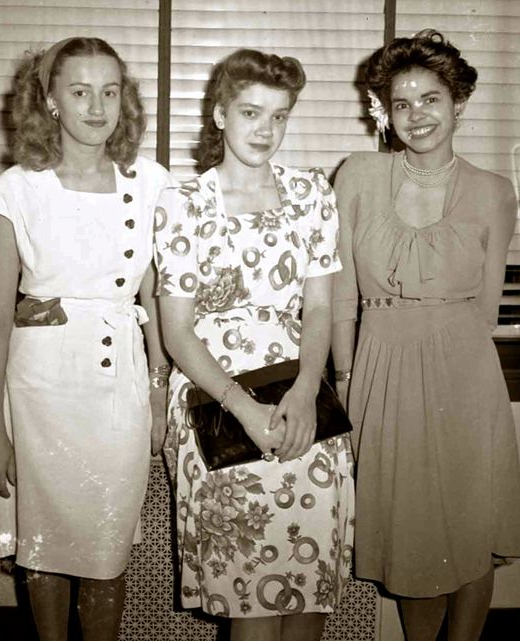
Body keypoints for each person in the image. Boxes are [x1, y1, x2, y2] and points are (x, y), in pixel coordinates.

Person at [0, 37, 172, 641]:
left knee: (109, 548)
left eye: (110, 91)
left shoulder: (152, 182)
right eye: (79, 91)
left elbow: (156, 297)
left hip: (120, 386)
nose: (96, 106)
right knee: (42, 547)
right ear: (50, 101)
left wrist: (158, 387)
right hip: (39, 391)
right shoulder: (16, 190)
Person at [153, 48, 355, 641]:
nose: (266, 130)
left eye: (280, 115)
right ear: (219, 115)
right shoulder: (183, 203)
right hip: (219, 402)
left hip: (303, 397)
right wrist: (244, 407)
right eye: (250, 112)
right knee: (250, 601)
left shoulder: (313, 193)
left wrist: (301, 390)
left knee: (310, 592)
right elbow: (177, 331)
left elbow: (319, 306)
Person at [331, 29, 520, 641]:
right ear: (382, 111)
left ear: (458, 103)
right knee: (414, 537)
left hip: (465, 375)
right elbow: (338, 292)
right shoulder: (357, 175)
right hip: (378, 370)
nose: (418, 115)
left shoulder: (495, 192)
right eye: (402, 102)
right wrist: (343, 376)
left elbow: (488, 308)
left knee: (469, 527)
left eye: (431, 99)